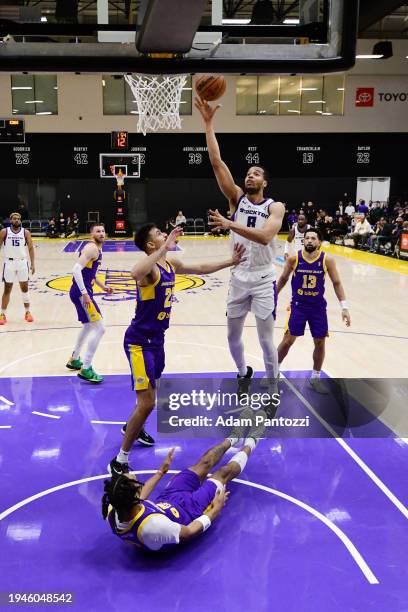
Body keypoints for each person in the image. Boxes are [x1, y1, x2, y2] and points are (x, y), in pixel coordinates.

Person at [108, 224, 246, 476]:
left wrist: (231, 261)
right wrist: (163, 246)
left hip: (157, 341)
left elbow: (202, 268)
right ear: (151, 245)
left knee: (150, 396)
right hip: (139, 342)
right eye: (160, 234)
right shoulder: (150, 270)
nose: (165, 235)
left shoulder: (170, 264)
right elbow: (133, 272)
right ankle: (120, 458)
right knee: (147, 402)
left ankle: (131, 426)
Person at [195, 96, 285, 394]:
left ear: (265, 183)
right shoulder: (236, 198)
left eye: (256, 173)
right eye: (248, 172)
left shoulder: (276, 207)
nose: (250, 175)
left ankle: (272, 384)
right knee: (232, 337)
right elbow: (216, 162)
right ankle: (242, 370)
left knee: (265, 339)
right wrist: (209, 125)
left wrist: (230, 224)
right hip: (238, 278)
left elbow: (264, 237)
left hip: (262, 279)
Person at [103, 415, 264, 551]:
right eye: (136, 484)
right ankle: (251, 441)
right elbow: (189, 532)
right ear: (133, 498)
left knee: (204, 463)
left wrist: (161, 472)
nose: (138, 481)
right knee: (222, 474)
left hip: (167, 500)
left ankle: (233, 437)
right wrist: (214, 511)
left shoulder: (115, 509)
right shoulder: (153, 527)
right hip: (190, 511)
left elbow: (141, 496)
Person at [277, 228, 351, 393]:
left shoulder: (327, 260)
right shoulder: (294, 258)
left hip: (317, 307)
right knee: (288, 340)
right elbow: (282, 279)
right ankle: (272, 373)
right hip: (298, 306)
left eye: (313, 238)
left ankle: (315, 378)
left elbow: (337, 283)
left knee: (319, 342)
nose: (309, 240)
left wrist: (344, 307)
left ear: (319, 242)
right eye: (307, 238)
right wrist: (272, 298)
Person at [67, 223, 113, 383]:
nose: (101, 233)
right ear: (91, 234)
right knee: (100, 328)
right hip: (81, 292)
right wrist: (85, 294)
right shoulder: (91, 248)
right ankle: (86, 368)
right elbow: (76, 269)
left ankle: (74, 359)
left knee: (88, 326)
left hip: (80, 291)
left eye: (103, 230)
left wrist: (102, 286)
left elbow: (90, 273)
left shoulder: (97, 249)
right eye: (97, 231)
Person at [0, 212, 35, 325]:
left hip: (22, 262)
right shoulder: (4, 232)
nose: (16, 220)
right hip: (9, 262)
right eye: (14, 219)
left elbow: (30, 248)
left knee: (24, 288)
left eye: (18, 219)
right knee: (7, 289)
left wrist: (33, 263)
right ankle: (3, 314)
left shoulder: (26, 232)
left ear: (20, 220)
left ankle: (27, 312)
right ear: (10, 220)